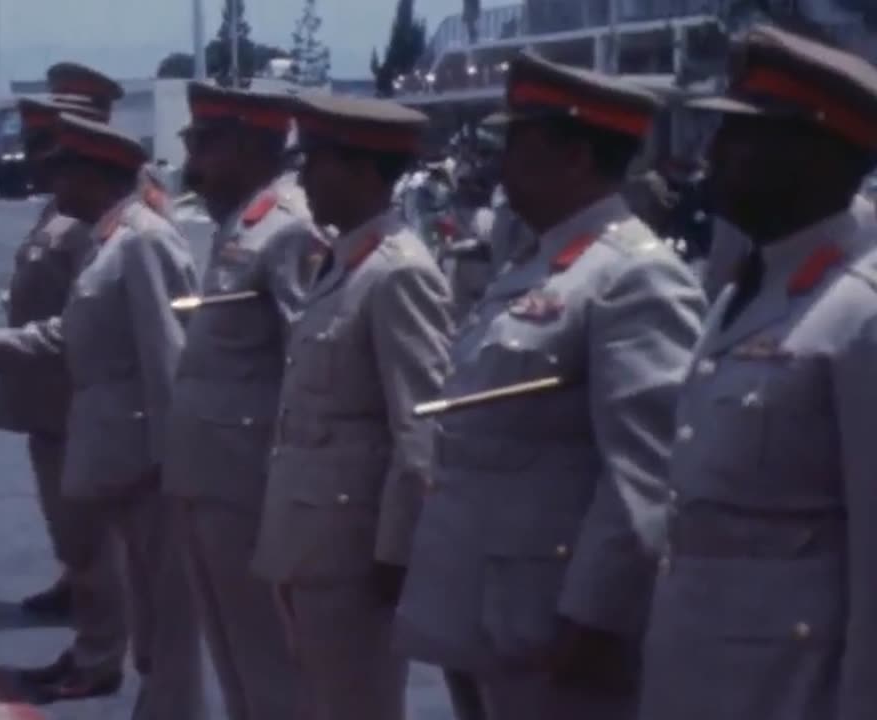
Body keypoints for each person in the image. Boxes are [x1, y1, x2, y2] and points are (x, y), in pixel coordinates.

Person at [392, 52, 706, 720]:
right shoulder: (539, 264)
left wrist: (596, 617)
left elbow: (644, 471)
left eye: (522, 145)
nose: (502, 165)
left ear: (577, 158)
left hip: (554, 620)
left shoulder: (632, 276)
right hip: (489, 608)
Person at [637, 25, 877, 720]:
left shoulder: (858, 313)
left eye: (743, 138)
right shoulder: (754, 288)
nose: (713, 155)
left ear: (817, 155)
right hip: (703, 676)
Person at [0, 113, 206, 716]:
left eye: (61, 170)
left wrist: (178, 470)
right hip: (121, 457)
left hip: (151, 464)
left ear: (92, 175)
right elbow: (70, 332)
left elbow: (169, 360)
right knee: (146, 613)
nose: (50, 183)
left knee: (170, 620)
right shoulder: (109, 238)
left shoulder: (142, 240)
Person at [250, 93, 452, 720]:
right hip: (311, 536)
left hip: (357, 550)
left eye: (318, 161)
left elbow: (421, 428)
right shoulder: (345, 262)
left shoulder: (398, 273)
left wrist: (397, 555)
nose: (304, 177)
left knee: (357, 704)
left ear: (366, 172)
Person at [162, 82, 321, 720]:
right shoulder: (242, 222)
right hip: (212, 475)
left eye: (205, 145)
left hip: (254, 483)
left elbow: (305, 366)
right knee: (234, 655)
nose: (193, 163)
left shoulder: (290, 229)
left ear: (252, 146)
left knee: (273, 662)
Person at [0, 92, 133, 694]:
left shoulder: (94, 225)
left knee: (94, 544)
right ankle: (91, 645)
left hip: (74, 402)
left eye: (52, 148)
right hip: (48, 401)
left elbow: (86, 325)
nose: (39, 159)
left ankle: (100, 658)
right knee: (77, 542)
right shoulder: (60, 212)